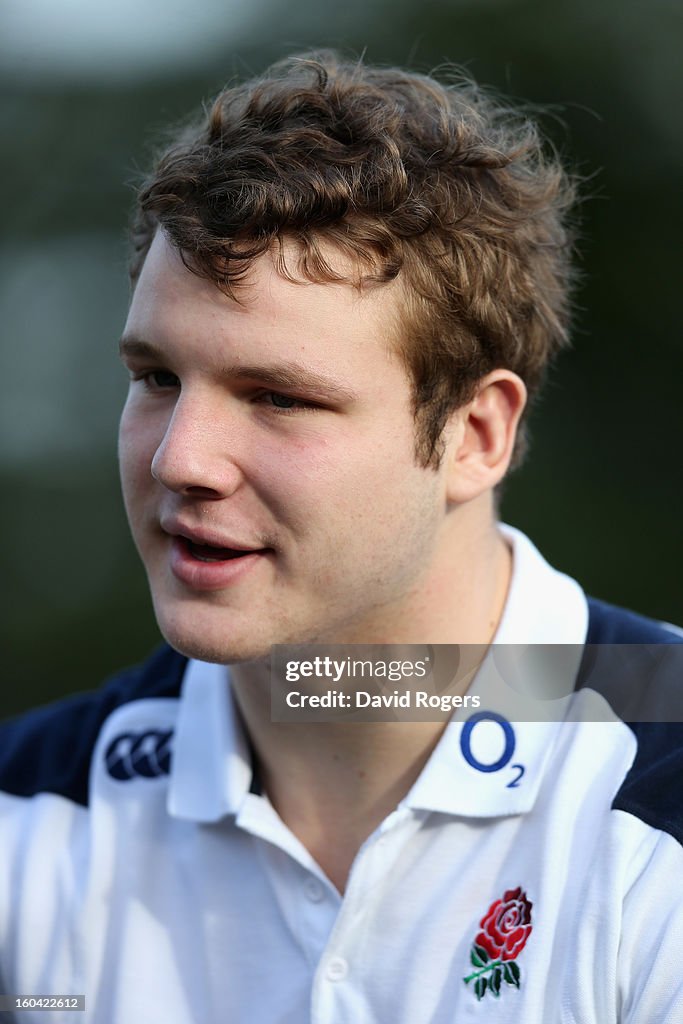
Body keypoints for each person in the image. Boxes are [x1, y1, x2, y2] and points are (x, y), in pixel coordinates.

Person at [1, 50, 682, 1024]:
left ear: (473, 436)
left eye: (278, 396)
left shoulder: (652, 807)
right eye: (156, 378)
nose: (180, 458)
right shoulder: (28, 817)